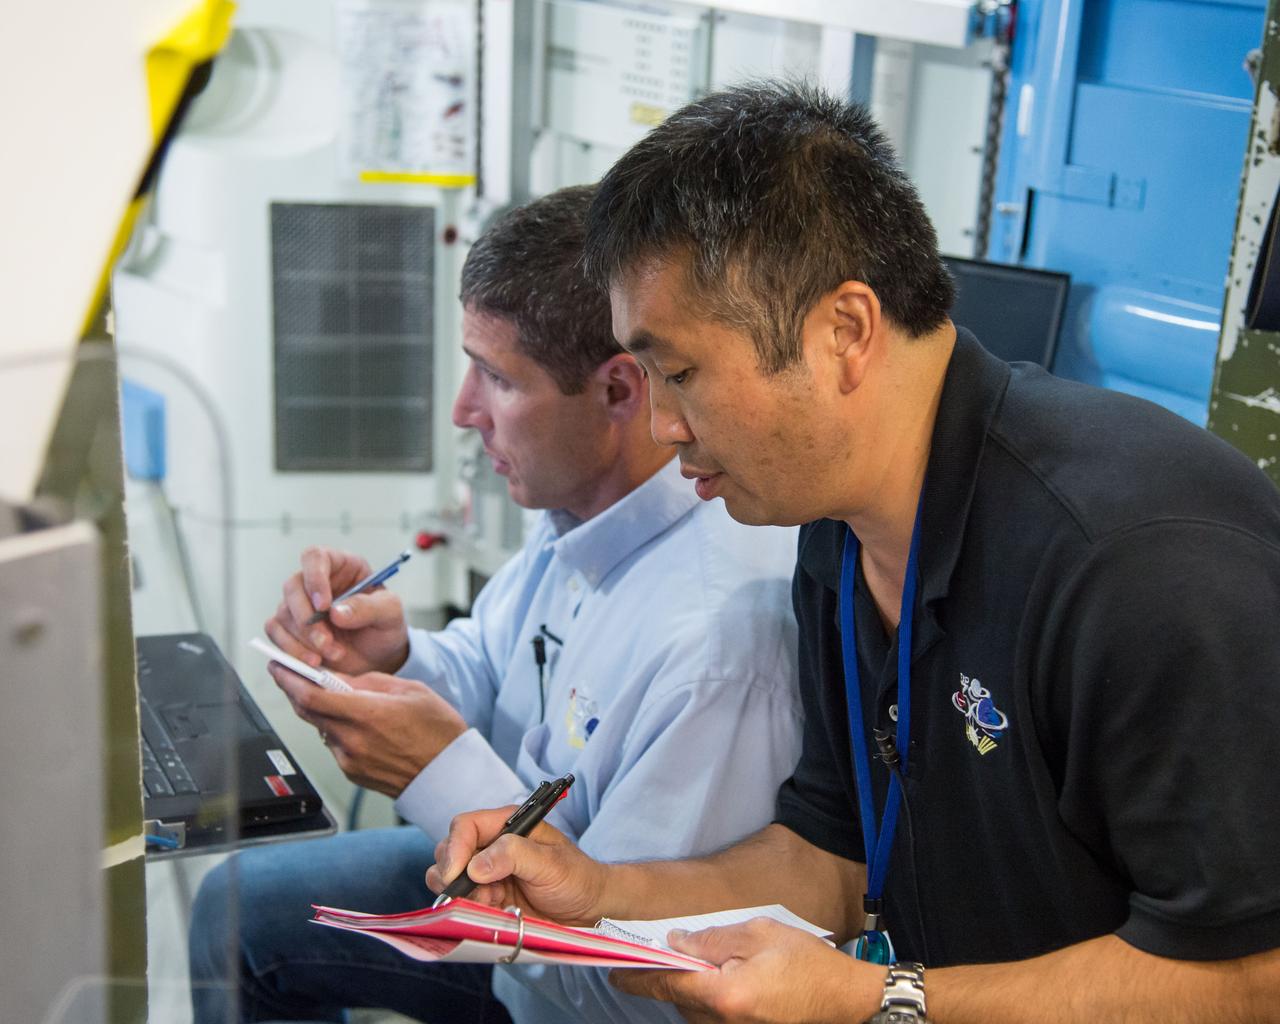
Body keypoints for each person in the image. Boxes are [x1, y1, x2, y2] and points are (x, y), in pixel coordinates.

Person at [428, 83, 1280, 1022]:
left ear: (844, 332)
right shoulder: (834, 532)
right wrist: (601, 895)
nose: (664, 425)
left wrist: (883, 998)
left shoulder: (1137, 565)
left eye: (682, 373)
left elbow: (1253, 976)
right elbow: (830, 855)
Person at [187, 184, 803, 1024]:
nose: (462, 411)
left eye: (498, 379)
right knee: (235, 914)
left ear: (620, 390)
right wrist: (397, 656)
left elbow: (634, 987)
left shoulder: (716, 646)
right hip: (510, 913)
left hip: (574, 984)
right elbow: (493, 665)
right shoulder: (582, 507)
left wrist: (435, 772)